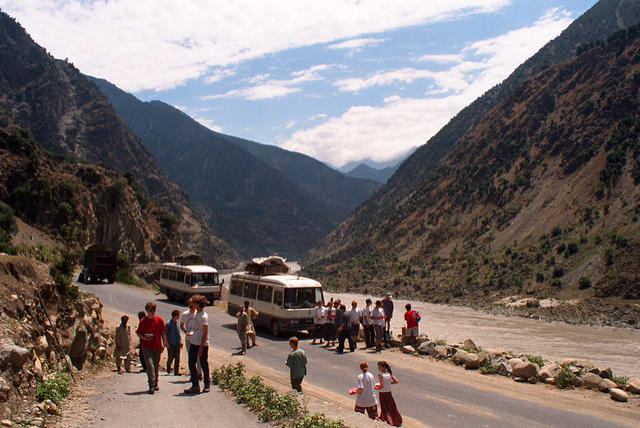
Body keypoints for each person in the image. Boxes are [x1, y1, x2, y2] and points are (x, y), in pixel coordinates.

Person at [136, 302, 168, 394]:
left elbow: (163, 333)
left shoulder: (159, 320)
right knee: (150, 365)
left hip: (157, 346)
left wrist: (164, 344)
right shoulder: (143, 321)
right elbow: (138, 333)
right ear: (147, 310)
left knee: (155, 365)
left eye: (153, 310)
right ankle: (151, 385)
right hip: (146, 347)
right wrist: (144, 338)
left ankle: (156, 382)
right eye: (150, 310)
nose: (152, 312)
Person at [184, 295, 210, 394]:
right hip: (194, 342)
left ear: (198, 304)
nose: (192, 305)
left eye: (194, 303)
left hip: (201, 344)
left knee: (203, 363)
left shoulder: (203, 316)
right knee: (191, 363)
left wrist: (201, 347)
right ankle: (195, 385)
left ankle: (207, 383)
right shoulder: (196, 314)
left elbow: (205, 333)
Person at [180, 297, 202, 380]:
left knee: (198, 357)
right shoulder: (185, 314)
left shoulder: (198, 314)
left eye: (193, 306)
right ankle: (193, 374)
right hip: (189, 339)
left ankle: (199, 373)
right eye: (190, 306)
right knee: (191, 357)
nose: (192, 308)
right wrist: (186, 332)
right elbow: (181, 325)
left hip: (197, 339)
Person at [377, 361, 402, 426]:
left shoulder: (380, 375)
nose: (378, 368)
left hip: (382, 393)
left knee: (384, 407)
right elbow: (396, 381)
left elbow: (381, 385)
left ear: (383, 367)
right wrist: (389, 383)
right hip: (389, 393)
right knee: (392, 407)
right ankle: (397, 420)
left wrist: (376, 388)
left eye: (379, 366)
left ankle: (388, 421)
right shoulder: (389, 374)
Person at [165, 309, 182, 375]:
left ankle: (176, 371)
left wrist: (180, 341)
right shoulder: (169, 324)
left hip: (177, 343)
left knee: (177, 358)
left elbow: (177, 333)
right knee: (171, 356)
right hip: (171, 343)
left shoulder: (176, 323)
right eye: (178, 315)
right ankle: (168, 368)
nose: (179, 317)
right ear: (175, 316)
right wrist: (166, 343)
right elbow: (165, 334)